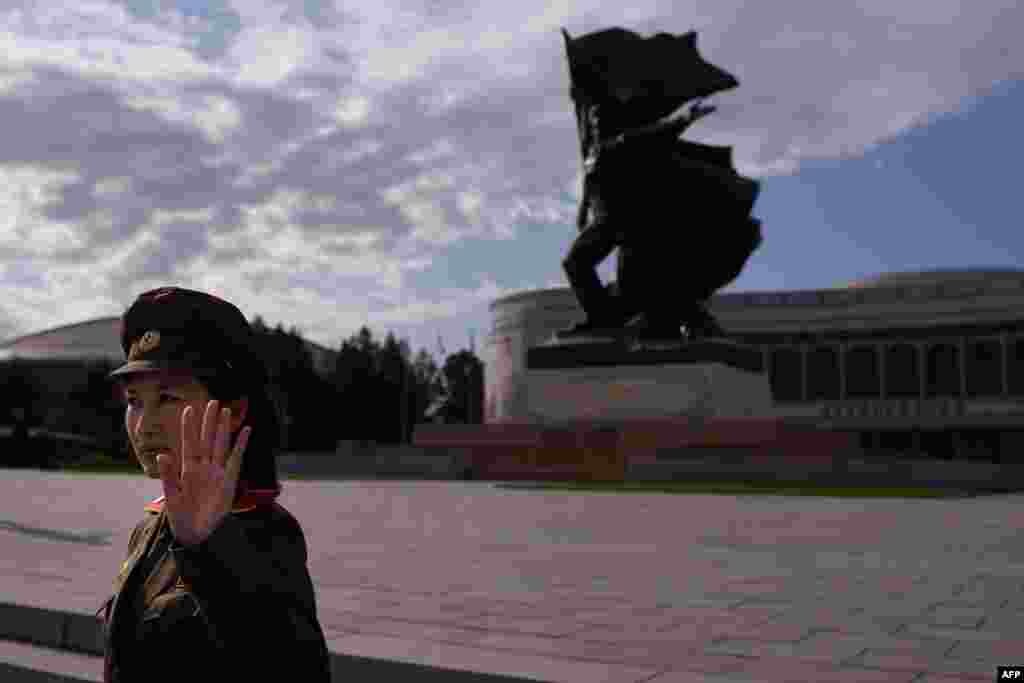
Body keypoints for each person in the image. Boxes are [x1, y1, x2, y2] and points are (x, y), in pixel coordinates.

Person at [96, 286, 332, 682]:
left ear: (234, 410)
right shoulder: (152, 525)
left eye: (168, 397)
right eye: (135, 401)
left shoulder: (265, 533)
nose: (144, 424)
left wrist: (207, 551)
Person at [560, 90, 719, 338]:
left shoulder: (623, 142)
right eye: (593, 119)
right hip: (603, 221)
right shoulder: (593, 151)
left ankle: (686, 318)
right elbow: (590, 182)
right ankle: (603, 318)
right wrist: (582, 209)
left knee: (596, 271)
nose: (596, 122)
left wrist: (684, 118)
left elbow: (654, 134)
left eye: (601, 118)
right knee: (580, 266)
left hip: (622, 222)